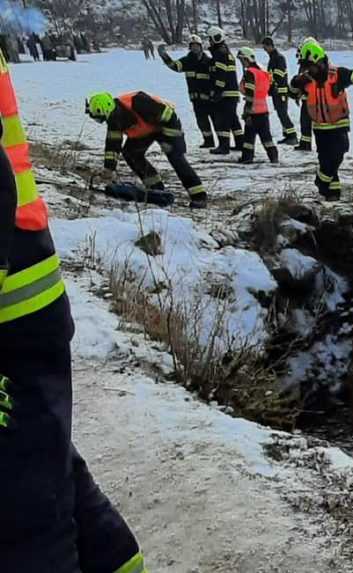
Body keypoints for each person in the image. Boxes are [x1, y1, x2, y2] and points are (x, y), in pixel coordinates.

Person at [0, 50, 148, 573]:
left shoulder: (138, 105)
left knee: (21, 516)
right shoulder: (115, 115)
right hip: (21, 295)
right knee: (43, 464)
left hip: (13, 306)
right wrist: (108, 172)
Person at [290, 39, 353, 200]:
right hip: (320, 129)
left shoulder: (337, 75)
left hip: (338, 126)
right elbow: (292, 94)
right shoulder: (306, 80)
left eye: (308, 66)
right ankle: (332, 194)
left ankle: (321, 182)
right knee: (326, 160)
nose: (306, 70)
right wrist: (295, 82)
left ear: (318, 61)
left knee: (336, 157)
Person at [85, 91, 208, 208]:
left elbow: (169, 117)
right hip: (145, 131)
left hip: (166, 126)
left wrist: (171, 141)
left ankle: (199, 196)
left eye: (99, 118)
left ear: (106, 109)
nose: (100, 121)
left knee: (175, 157)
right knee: (130, 154)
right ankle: (156, 189)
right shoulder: (113, 118)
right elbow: (113, 144)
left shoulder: (138, 102)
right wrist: (109, 168)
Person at [158, 35, 218, 148]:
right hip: (196, 99)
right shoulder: (187, 61)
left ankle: (222, 142)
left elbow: (216, 78)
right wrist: (164, 56)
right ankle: (208, 141)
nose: (195, 48)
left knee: (216, 121)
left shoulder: (208, 61)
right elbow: (174, 66)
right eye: (192, 46)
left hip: (210, 98)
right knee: (202, 121)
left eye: (197, 46)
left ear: (201, 47)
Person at [237, 47, 278, 164]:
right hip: (264, 110)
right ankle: (273, 157)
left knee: (249, 138)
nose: (241, 63)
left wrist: (247, 112)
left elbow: (250, 94)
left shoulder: (250, 73)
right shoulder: (263, 72)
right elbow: (271, 89)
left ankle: (247, 158)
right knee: (266, 137)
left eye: (242, 60)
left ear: (246, 59)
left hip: (253, 111)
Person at [207, 26, 244, 154]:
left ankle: (224, 146)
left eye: (210, 39)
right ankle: (240, 143)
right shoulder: (226, 52)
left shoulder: (219, 54)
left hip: (225, 93)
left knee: (223, 120)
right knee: (233, 120)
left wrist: (216, 92)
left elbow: (220, 75)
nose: (209, 42)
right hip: (232, 93)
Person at [262, 36, 298, 145]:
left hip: (280, 91)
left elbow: (279, 75)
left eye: (265, 47)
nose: (265, 50)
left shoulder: (278, 58)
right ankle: (287, 135)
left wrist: (274, 85)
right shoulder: (273, 58)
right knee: (281, 113)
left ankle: (292, 136)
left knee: (283, 114)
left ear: (270, 46)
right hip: (276, 91)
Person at [289, 36, 316, 152]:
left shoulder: (310, 66)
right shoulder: (309, 65)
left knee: (306, 122)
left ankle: (306, 145)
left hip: (311, 98)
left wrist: (296, 89)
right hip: (308, 97)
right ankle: (305, 143)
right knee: (305, 122)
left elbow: (304, 81)